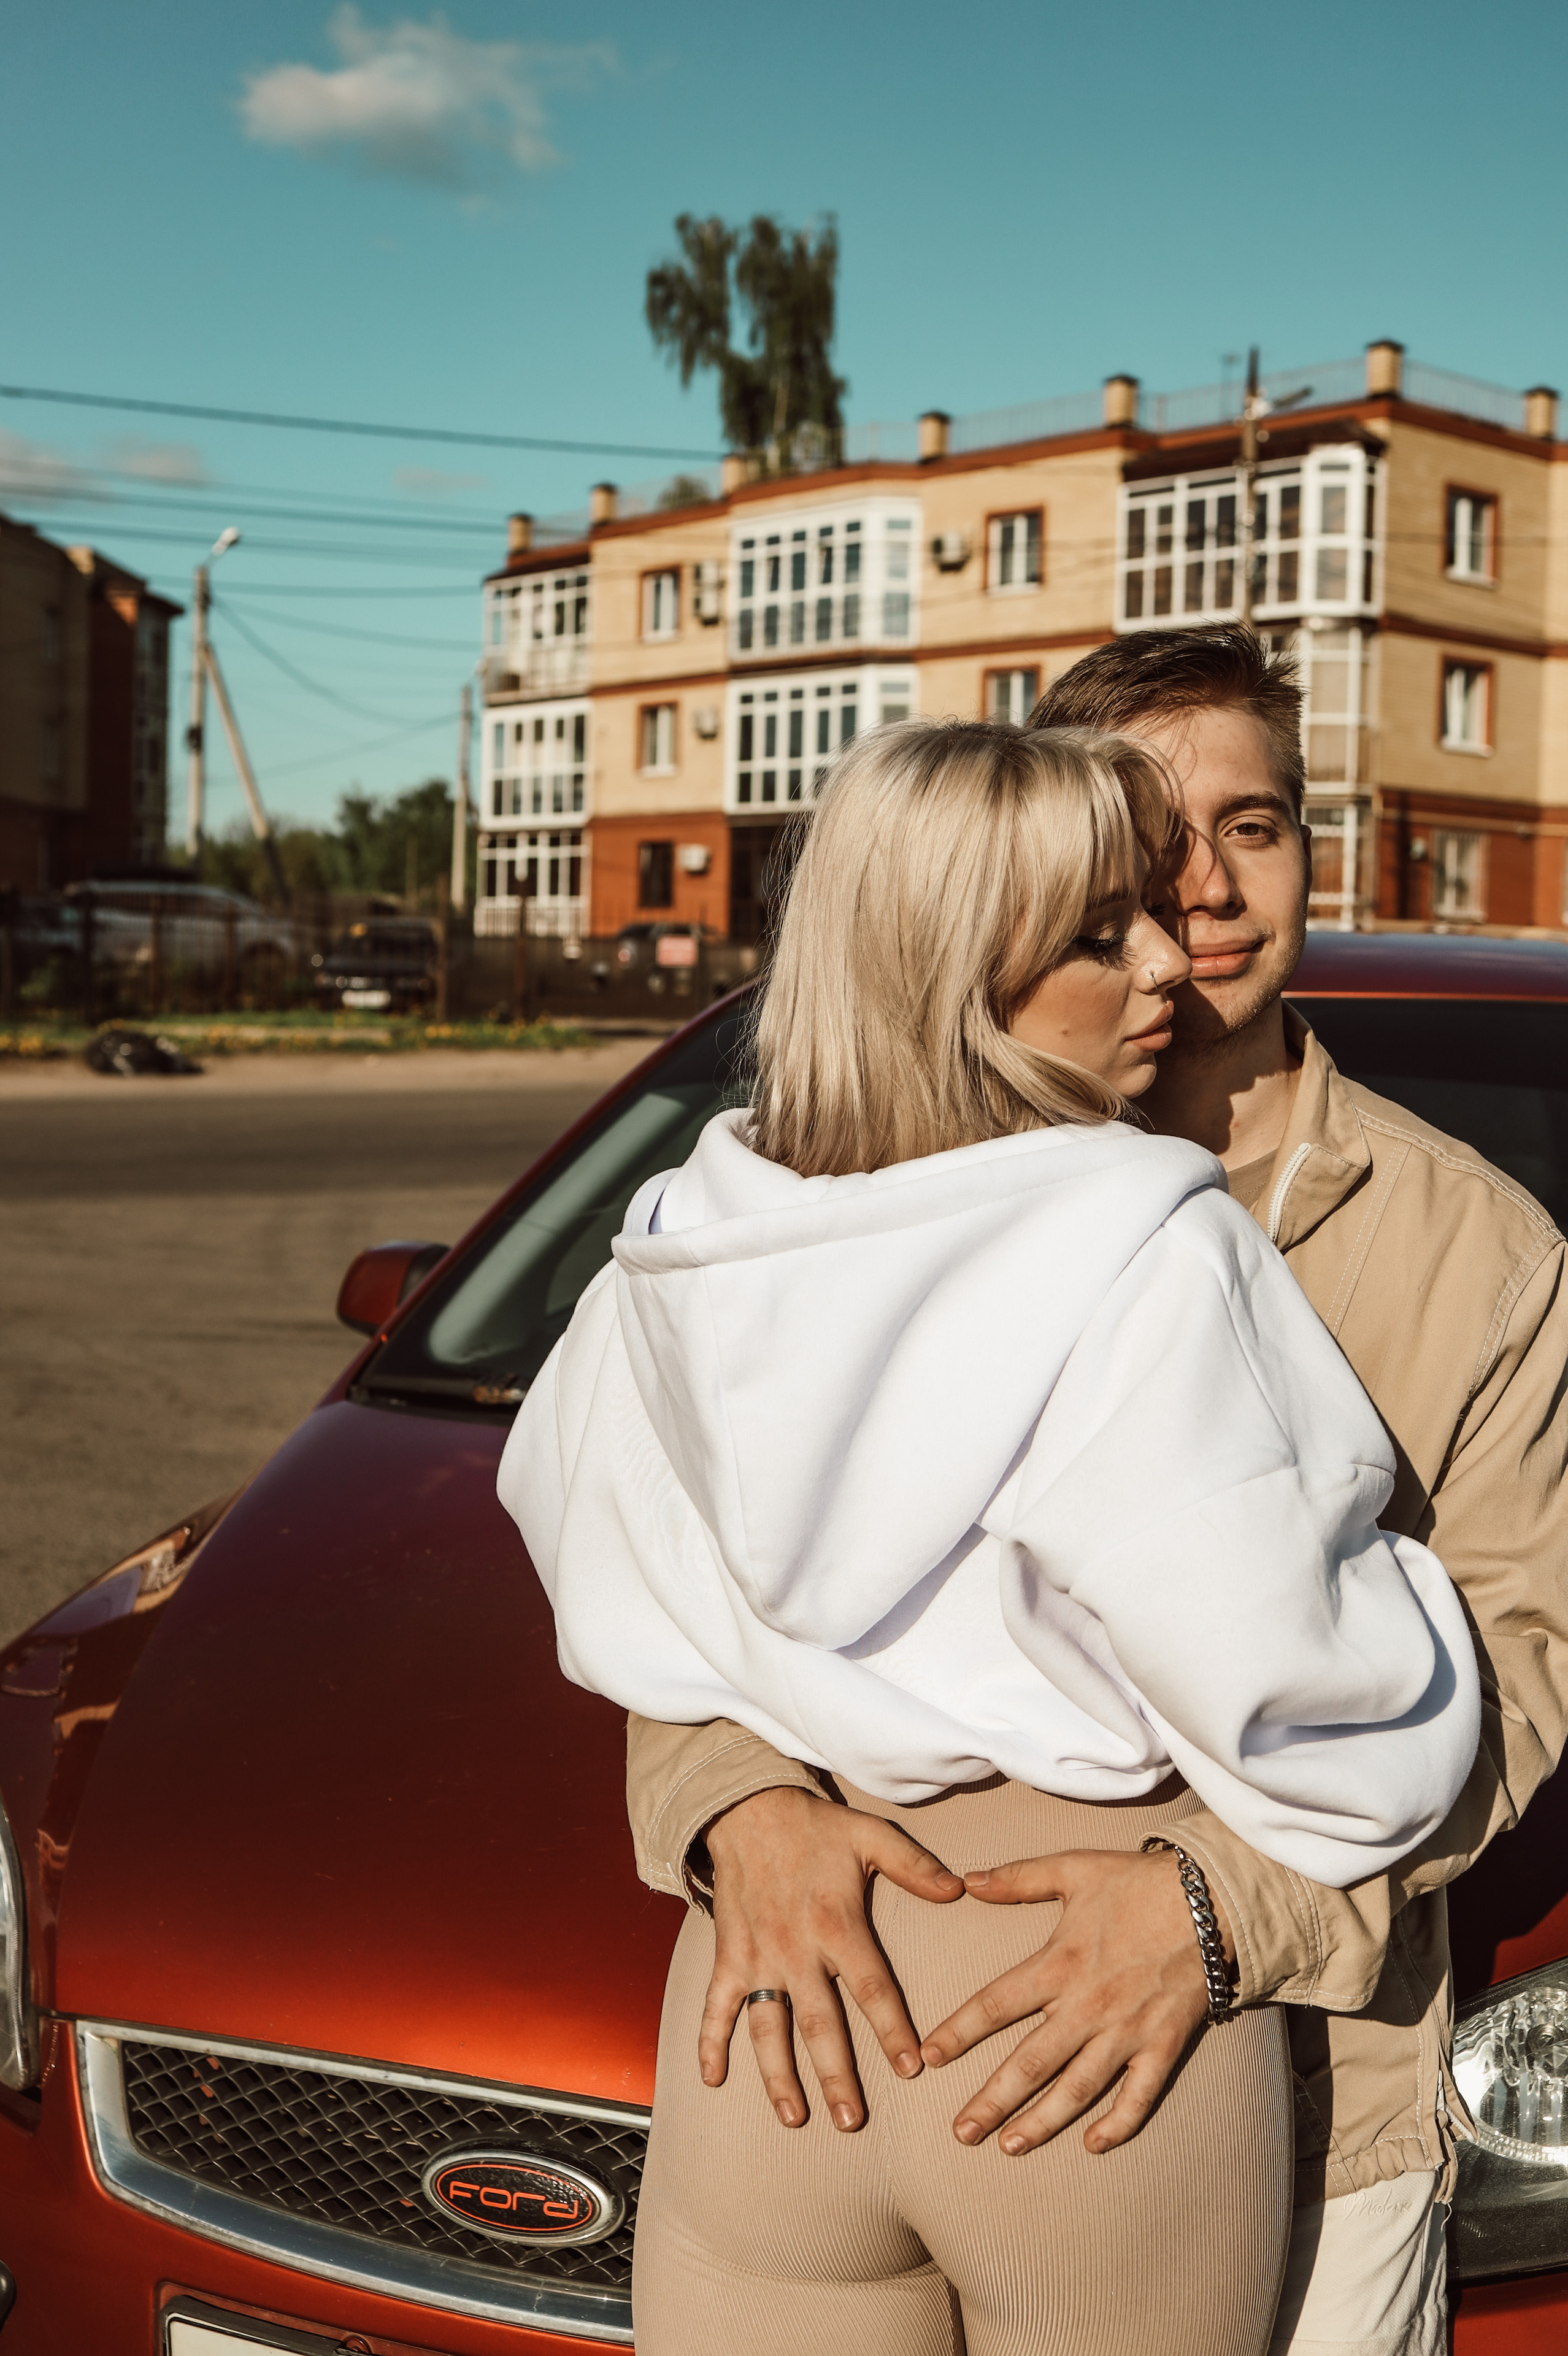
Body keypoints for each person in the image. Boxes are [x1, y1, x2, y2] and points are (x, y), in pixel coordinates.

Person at [625, 628, 1568, 2356]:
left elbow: (1518, 1669)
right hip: (843, 2060)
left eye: (1260, 827)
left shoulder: (1480, 1253)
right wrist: (734, 1805)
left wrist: (1218, 1905)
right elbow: (682, 1554)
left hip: (1319, 2095)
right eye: (1149, 843)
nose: (1205, 891)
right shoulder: (852, 1186)